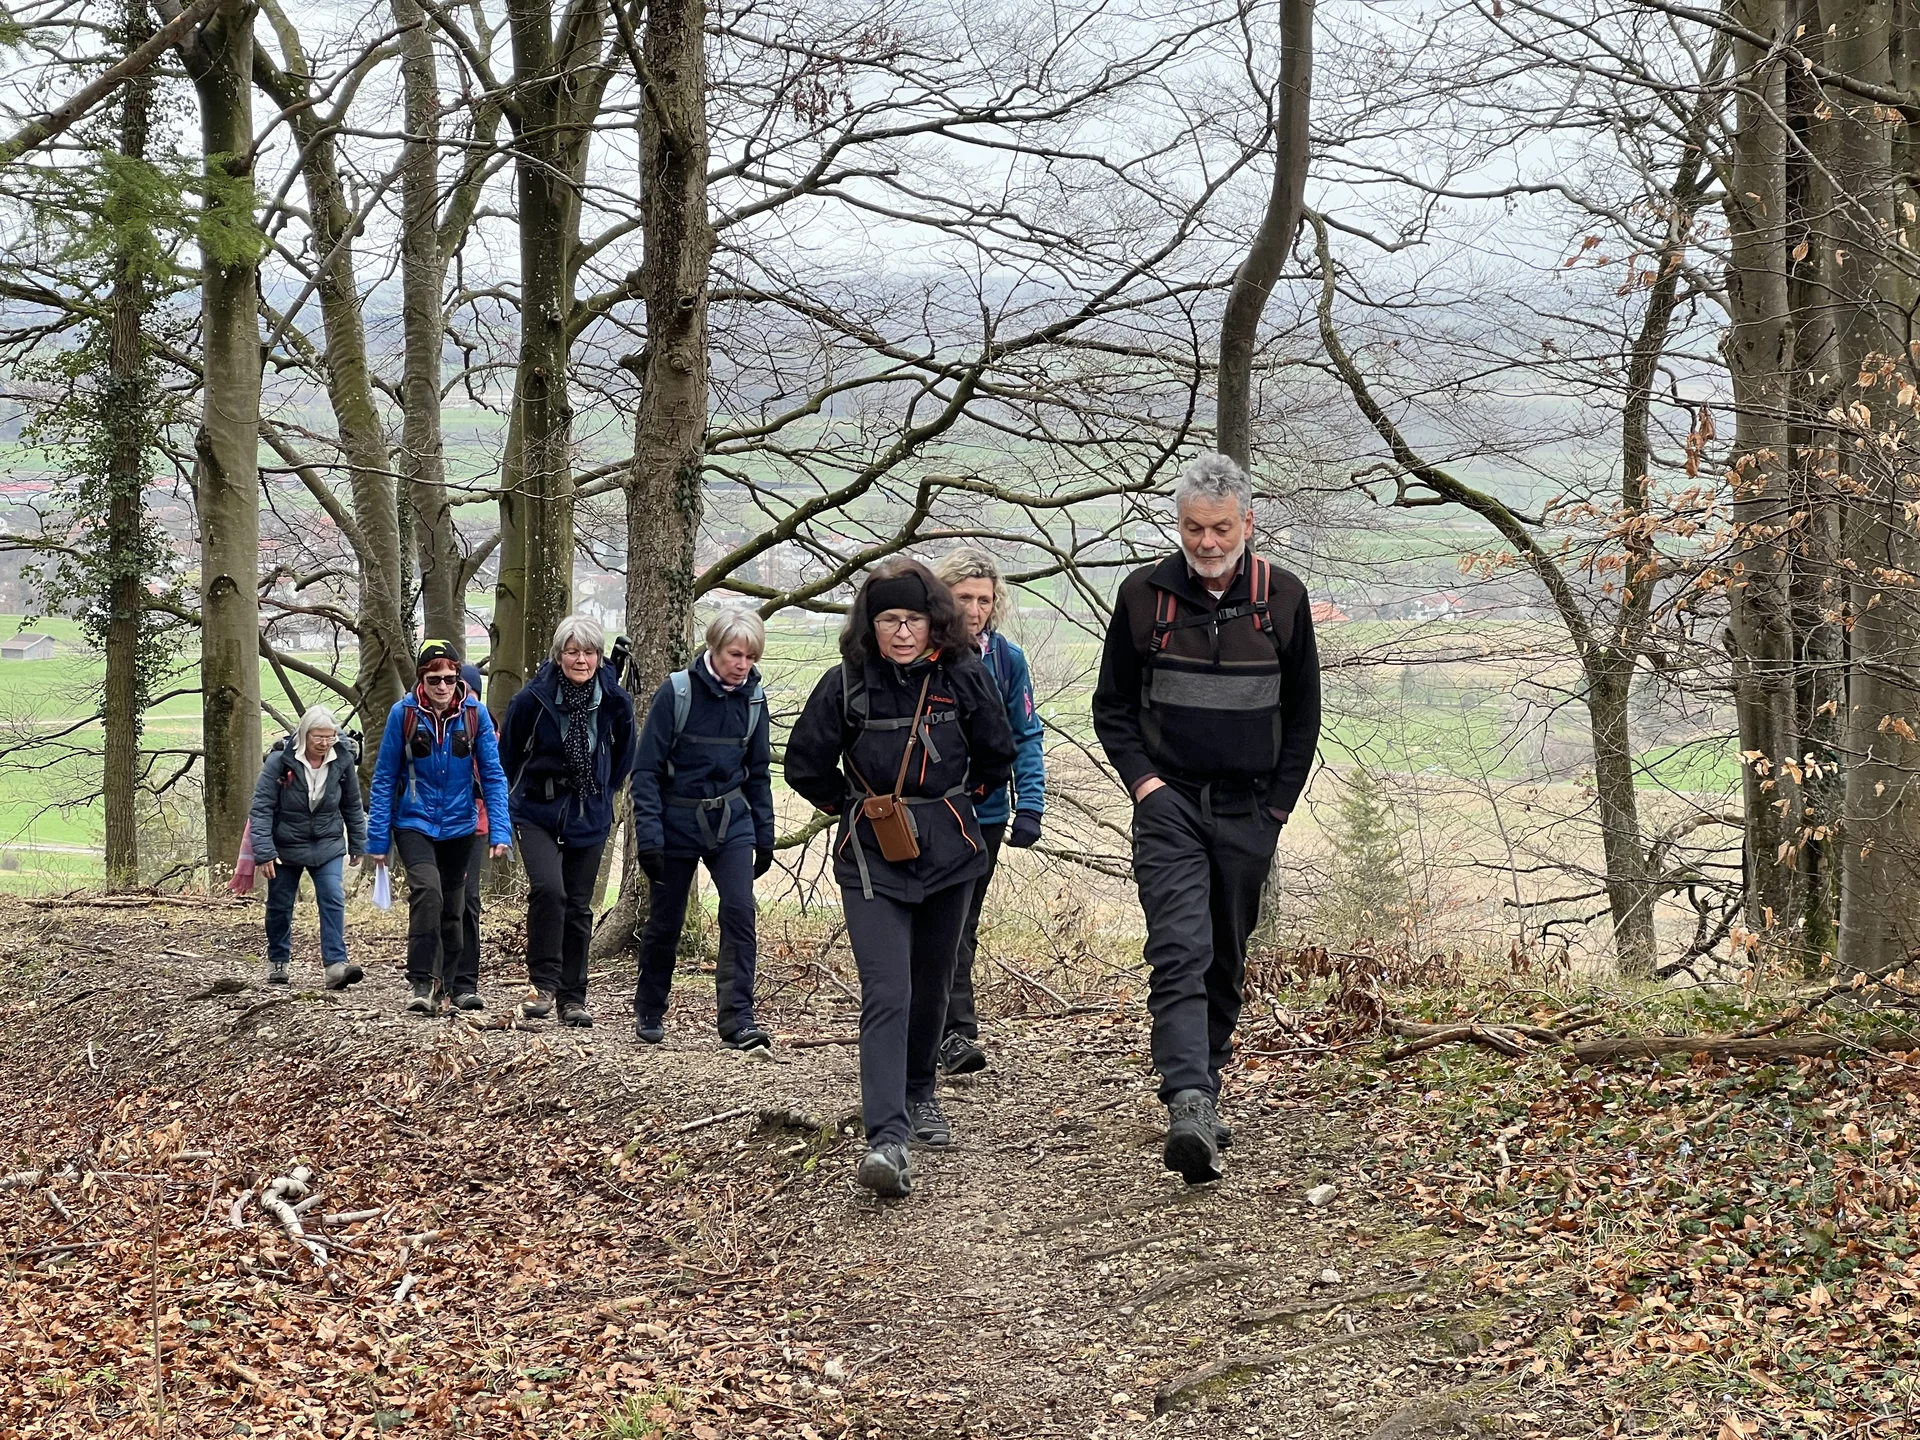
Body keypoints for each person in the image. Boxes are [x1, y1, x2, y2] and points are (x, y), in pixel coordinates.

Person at [1092, 454, 1321, 1186]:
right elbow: (1114, 708)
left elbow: (1305, 713)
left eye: (1221, 528)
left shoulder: (1283, 598)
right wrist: (1146, 786)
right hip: (1171, 805)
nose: (1208, 542)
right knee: (1179, 948)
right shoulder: (1142, 596)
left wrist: (1277, 809)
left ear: (1247, 524)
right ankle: (1187, 1100)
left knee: (1224, 952)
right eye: (1194, 528)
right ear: (1179, 526)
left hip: (1249, 808)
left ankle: (1207, 1083)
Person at [785, 559, 1016, 1198]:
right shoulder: (845, 684)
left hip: (952, 855)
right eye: (890, 619)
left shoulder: (965, 676)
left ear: (933, 620)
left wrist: (951, 805)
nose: (903, 632)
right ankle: (886, 1139)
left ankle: (921, 1094)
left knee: (933, 982)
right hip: (870, 858)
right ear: (872, 624)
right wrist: (857, 809)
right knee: (888, 989)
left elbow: (999, 752)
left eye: (913, 618)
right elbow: (804, 763)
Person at [629, 610, 776, 1049]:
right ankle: (650, 1010)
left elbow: (758, 774)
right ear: (714, 649)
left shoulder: (754, 700)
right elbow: (646, 771)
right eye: (736, 654)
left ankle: (738, 1020)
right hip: (676, 821)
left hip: (731, 820)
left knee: (738, 911)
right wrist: (649, 838)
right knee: (666, 921)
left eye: (751, 656)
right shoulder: (676, 693)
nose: (743, 664)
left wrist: (763, 835)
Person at [931, 548, 1046, 1077]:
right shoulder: (920, 654)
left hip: (988, 812)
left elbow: (1026, 734)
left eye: (984, 599)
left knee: (962, 923)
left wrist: (1031, 805)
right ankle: (935, 1027)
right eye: (963, 598)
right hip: (930, 809)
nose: (974, 608)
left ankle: (954, 1033)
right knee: (934, 921)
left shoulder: (1007, 659)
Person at [500, 616, 636, 1027]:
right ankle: (542, 985)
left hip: (589, 812)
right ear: (559, 656)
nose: (582, 660)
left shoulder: (614, 700)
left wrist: (600, 793)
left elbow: (625, 755)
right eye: (573, 652)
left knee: (578, 906)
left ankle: (573, 998)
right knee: (549, 891)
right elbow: (508, 752)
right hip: (536, 809)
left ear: (598, 657)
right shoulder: (533, 698)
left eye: (589, 652)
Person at [366, 640, 514, 1014]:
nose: (443, 686)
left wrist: (500, 830)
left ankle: (457, 986)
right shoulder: (404, 714)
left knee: (455, 908)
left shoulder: (475, 715)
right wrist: (378, 838)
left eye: (449, 678)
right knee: (427, 893)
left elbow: (494, 777)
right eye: (435, 680)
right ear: (422, 679)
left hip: (461, 825)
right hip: (413, 821)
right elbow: (384, 778)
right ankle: (420, 981)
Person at [248, 704, 368, 990]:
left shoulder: (342, 762)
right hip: (285, 846)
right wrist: (264, 851)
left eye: (329, 738)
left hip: (327, 842)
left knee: (332, 897)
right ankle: (278, 960)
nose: (324, 744)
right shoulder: (279, 761)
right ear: (304, 735)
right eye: (318, 737)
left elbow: (352, 804)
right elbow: (262, 808)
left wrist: (358, 843)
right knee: (280, 905)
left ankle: (335, 965)